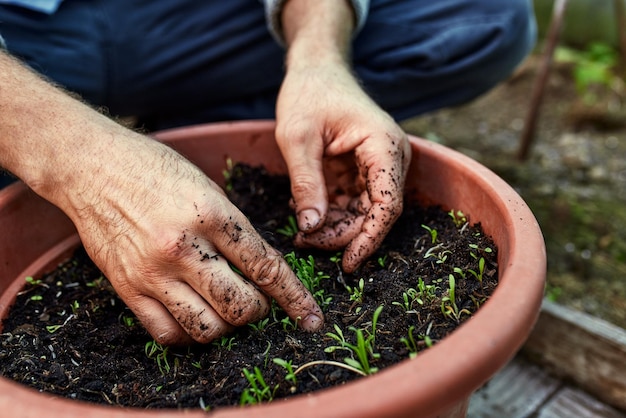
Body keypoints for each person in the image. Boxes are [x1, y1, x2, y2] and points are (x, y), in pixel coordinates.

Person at [0, 0, 536, 345]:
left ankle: (195, 131)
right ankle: (144, 147)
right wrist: (82, 163)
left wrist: (318, 58)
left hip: (180, 16)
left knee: (486, 19)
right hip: (21, 34)